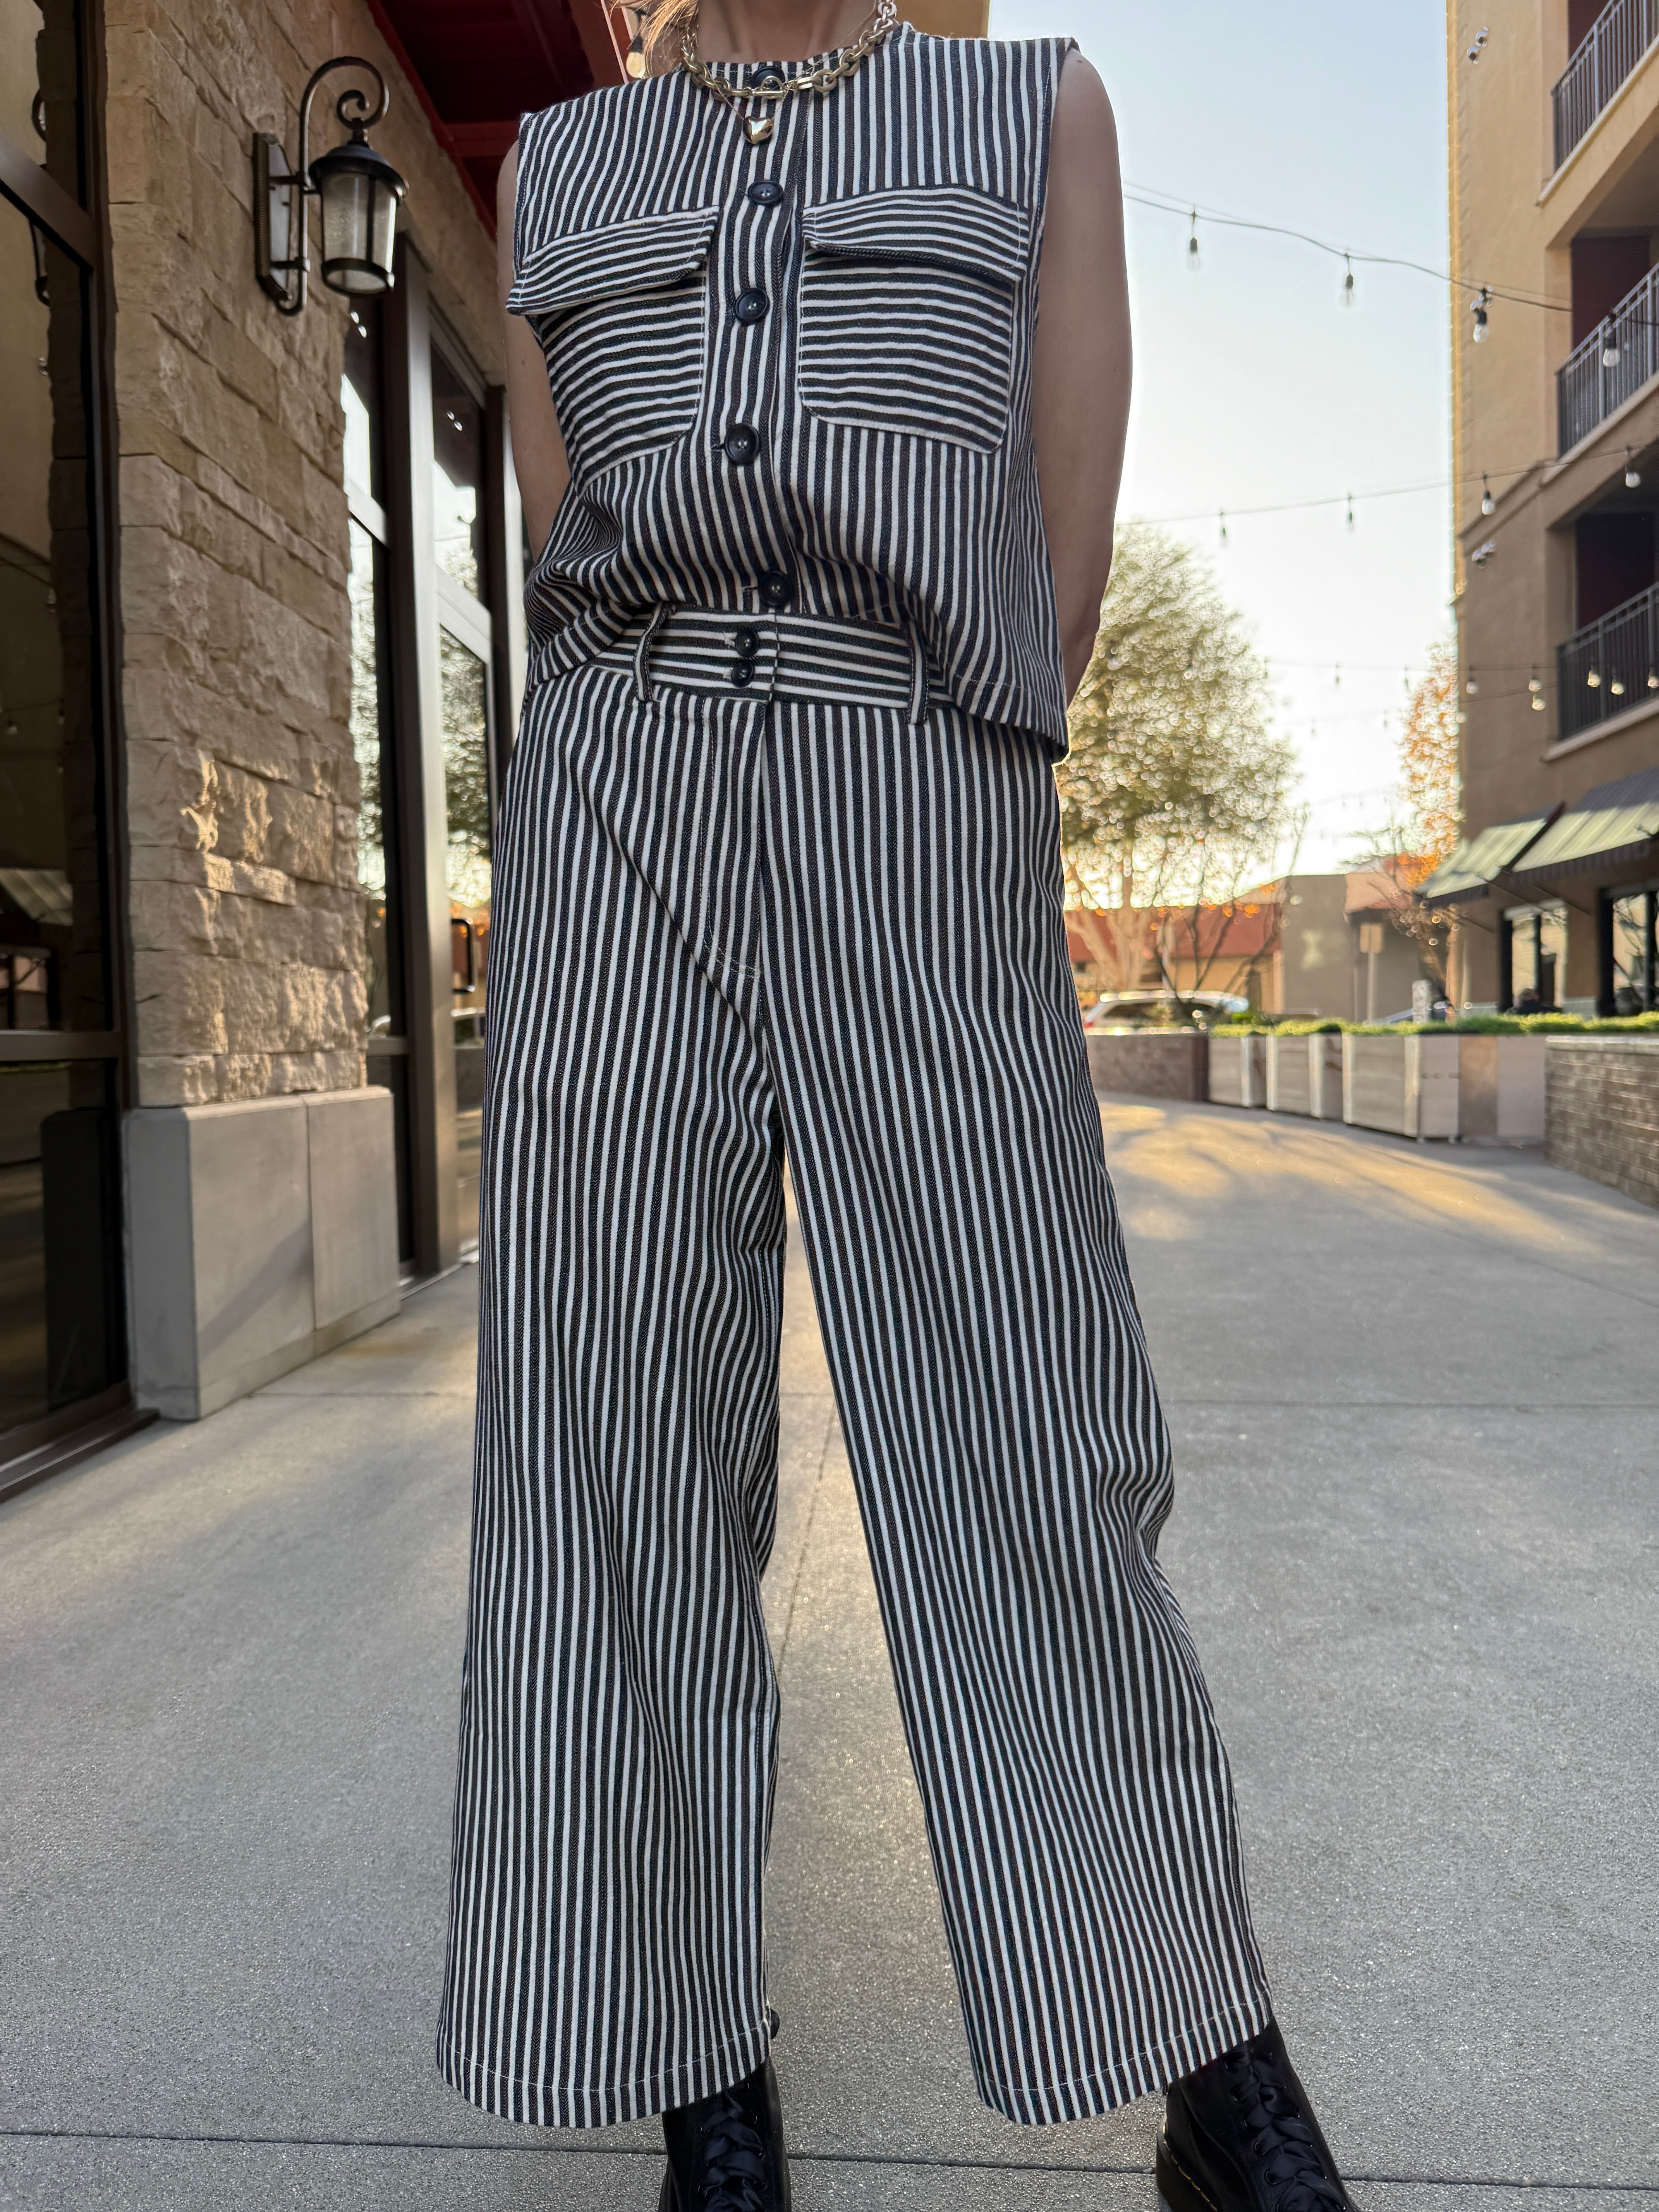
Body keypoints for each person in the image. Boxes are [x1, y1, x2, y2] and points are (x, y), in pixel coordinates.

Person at [436, 3, 1362, 2209]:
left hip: (917, 776)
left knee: (1035, 1437)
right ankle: (701, 2082)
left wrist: (936, 781)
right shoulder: (555, 170)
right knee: (612, 1444)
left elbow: (1060, 556)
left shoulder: (1032, 107)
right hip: (620, 798)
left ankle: (1210, 2078)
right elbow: (565, 556)